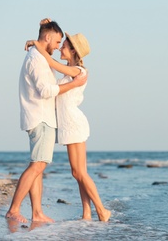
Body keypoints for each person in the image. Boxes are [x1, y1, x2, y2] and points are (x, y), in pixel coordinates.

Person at [25, 24, 111, 222]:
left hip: (73, 123)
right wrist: (38, 42)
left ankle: (101, 210)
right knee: (79, 173)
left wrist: (36, 44)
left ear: (73, 50)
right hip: (70, 123)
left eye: (63, 45)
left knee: (78, 172)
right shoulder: (70, 72)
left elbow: (51, 62)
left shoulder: (78, 71)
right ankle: (87, 213)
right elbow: (53, 62)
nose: (60, 47)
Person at [6, 19, 87, 223]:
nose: (59, 46)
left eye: (63, 43)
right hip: (40, 117)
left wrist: (43, 30)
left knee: (38, 166)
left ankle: (37, 212)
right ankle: (14, 210)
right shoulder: (37, 59)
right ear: (48, 38)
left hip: (43, 117)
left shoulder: (40, 56)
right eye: (58, 42)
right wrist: (73, 85)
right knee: (37, 165)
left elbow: (49, 39)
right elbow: (46, 90)